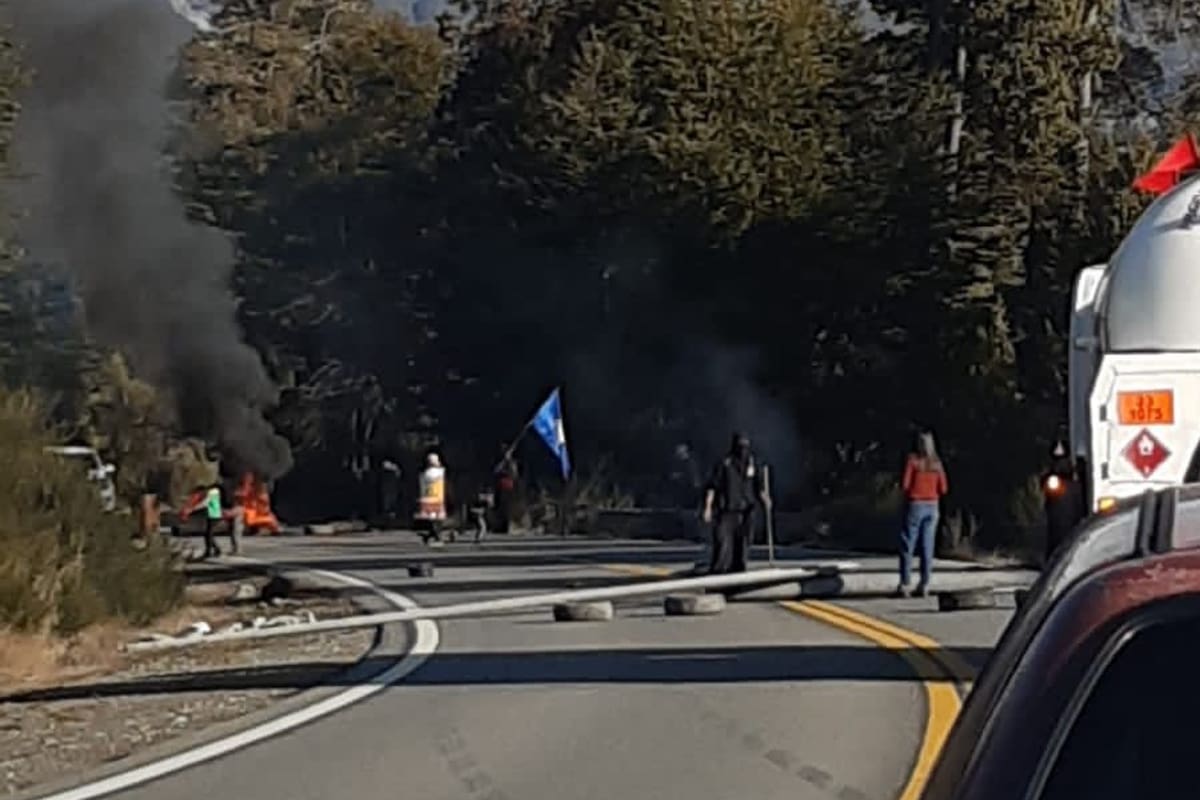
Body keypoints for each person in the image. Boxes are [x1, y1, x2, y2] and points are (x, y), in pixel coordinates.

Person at [702, 433, 770, 575]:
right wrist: (708, 507)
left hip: (746, 511)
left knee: (743, 544)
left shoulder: (752, 463)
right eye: (740, 446)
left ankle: (738, 572)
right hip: (727, 510)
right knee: (724, 544)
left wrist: (765, 499)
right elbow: (712, 486)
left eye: (745, 446)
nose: (743, 450)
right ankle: (718, 573)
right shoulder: (724, 463)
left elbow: (759, 487)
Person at [898, 431, 948, 597]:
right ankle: (925, 583)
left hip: (916, 503)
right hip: (933, 505)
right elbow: (944, 488)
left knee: (908, 544)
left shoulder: (913, 462)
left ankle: (906, 583)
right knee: (927, 546)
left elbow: (905, 484)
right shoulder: (937, 464)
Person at [1043, 441, 1085, 564]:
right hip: (1057, 529)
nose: (1060, 464)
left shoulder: (1078, 481)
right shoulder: (1051, 481)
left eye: (1063, 460)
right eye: (1056, 460)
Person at [416, 452, 448, 545]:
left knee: (434, 520)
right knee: (436, 520)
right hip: (436, 498)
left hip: (430, 499)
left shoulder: (426, 473)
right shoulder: (438, 472)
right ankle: (434, 537)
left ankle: (434, 537)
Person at [493, 447, 519, 534]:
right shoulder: (501, 463)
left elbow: (514, 474)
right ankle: (500, 526)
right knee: (500, 508)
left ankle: (507, 526)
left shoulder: (512, 463)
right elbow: (496, 471)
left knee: (507, 508)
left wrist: (509, 462)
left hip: (509, 487)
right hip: (500, 487)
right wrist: (503, 462)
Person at [203, 481, 224, 559]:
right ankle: (213, 550)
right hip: (213, 514)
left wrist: (192, 508)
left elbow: (205, 502)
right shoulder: (215, 491)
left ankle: (212, 551)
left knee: (208, 534)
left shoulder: (213, 491)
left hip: (214, 514)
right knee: (208, 534)